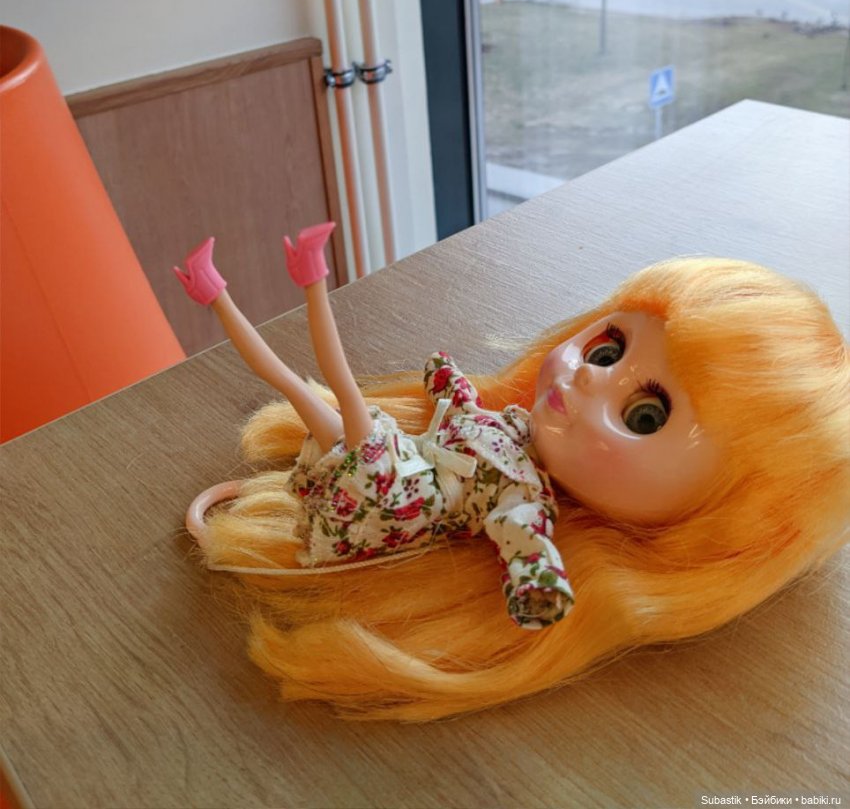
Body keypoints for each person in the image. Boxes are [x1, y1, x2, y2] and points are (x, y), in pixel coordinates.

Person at [176, 229, 850, 721]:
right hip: (397, 461)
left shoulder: (523, 500)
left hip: (394, 489)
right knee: (311, 389)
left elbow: (529, 554)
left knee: (325, 390)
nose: (589, 376)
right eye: (607, 348)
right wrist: (448, 386)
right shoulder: (516, 430)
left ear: (712, 528)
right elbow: (466, 415)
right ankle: (239, 286)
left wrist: (537, 585)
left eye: (645, 415)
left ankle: (299, 277)